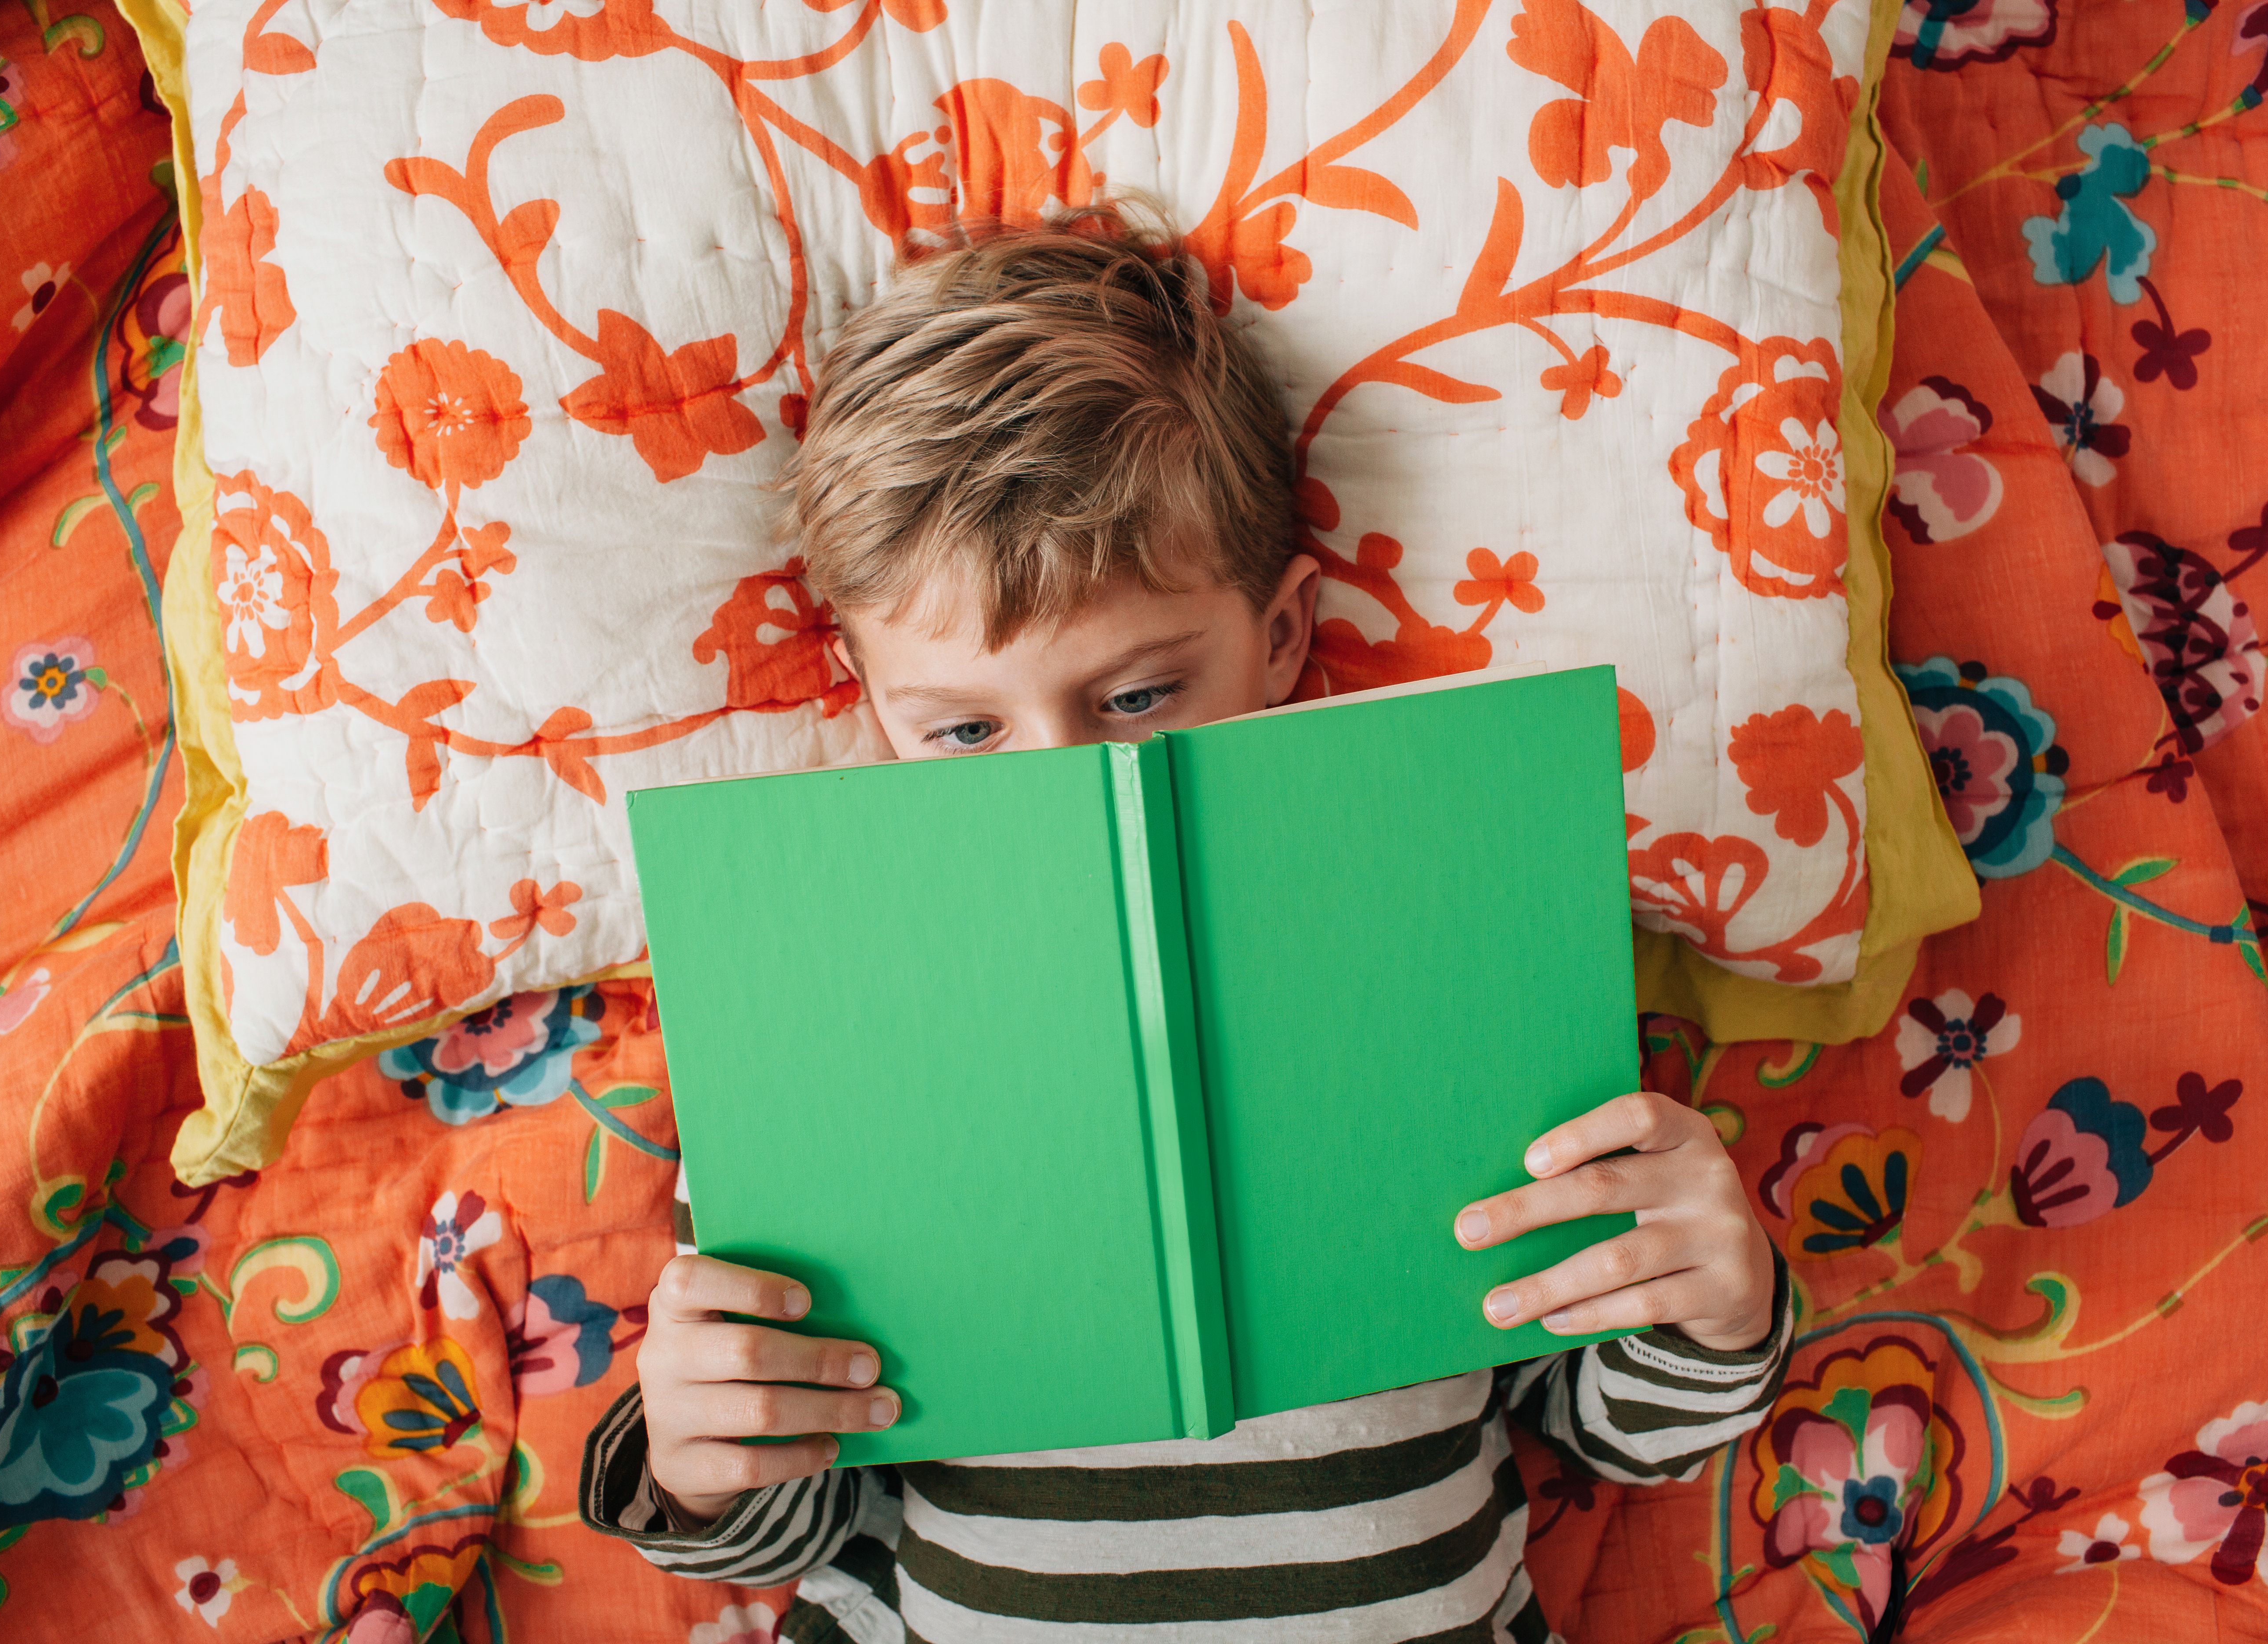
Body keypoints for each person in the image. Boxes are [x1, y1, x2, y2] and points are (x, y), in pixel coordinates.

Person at [581, 204, 1793, 1641]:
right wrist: (699, 1452)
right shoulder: (835, 1031)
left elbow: (1614, 1433)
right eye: (963, 728)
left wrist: (1720, 1301)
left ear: (1282, 638)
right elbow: (786, 1525)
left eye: (1139, 698)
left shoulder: (1451, 960)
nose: (1062, 781)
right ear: (866, 700)